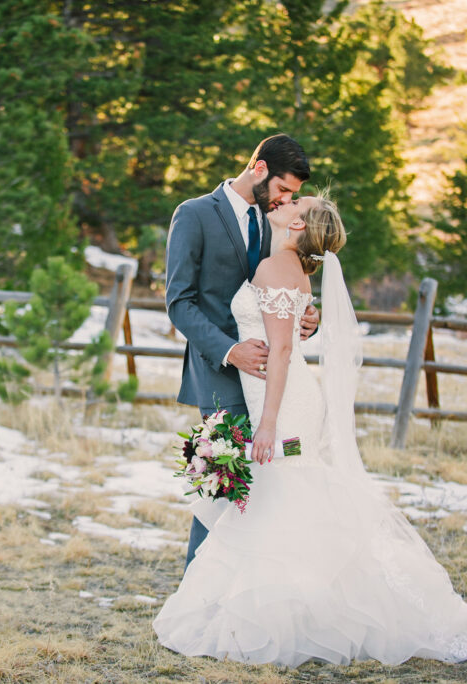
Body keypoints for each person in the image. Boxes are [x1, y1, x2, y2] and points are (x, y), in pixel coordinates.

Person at [153, 192, 467, 667]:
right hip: (279, 393)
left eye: (295, 204)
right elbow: (288, 332)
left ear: (298, 226)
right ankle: (294, 604)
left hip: (281, 399)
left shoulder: (277, 269)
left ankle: (285, 613)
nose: (283, 202)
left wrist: (268, 422)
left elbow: (282, 352)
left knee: (284, 490)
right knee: (286, 496)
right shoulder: (285, 266)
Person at [165, 134, 319, 570]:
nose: (287, 200)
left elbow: (284, 285)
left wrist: (308, 316)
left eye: (292, 195)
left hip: (276, 384)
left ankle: (260, 586)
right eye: (284, 189)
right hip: (220, 375)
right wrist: (230, 351)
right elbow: (179, 302)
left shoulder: (276, 221)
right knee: (225, 486)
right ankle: (197, 596)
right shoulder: (194, 215)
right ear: (259, 170)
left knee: (271, 489)